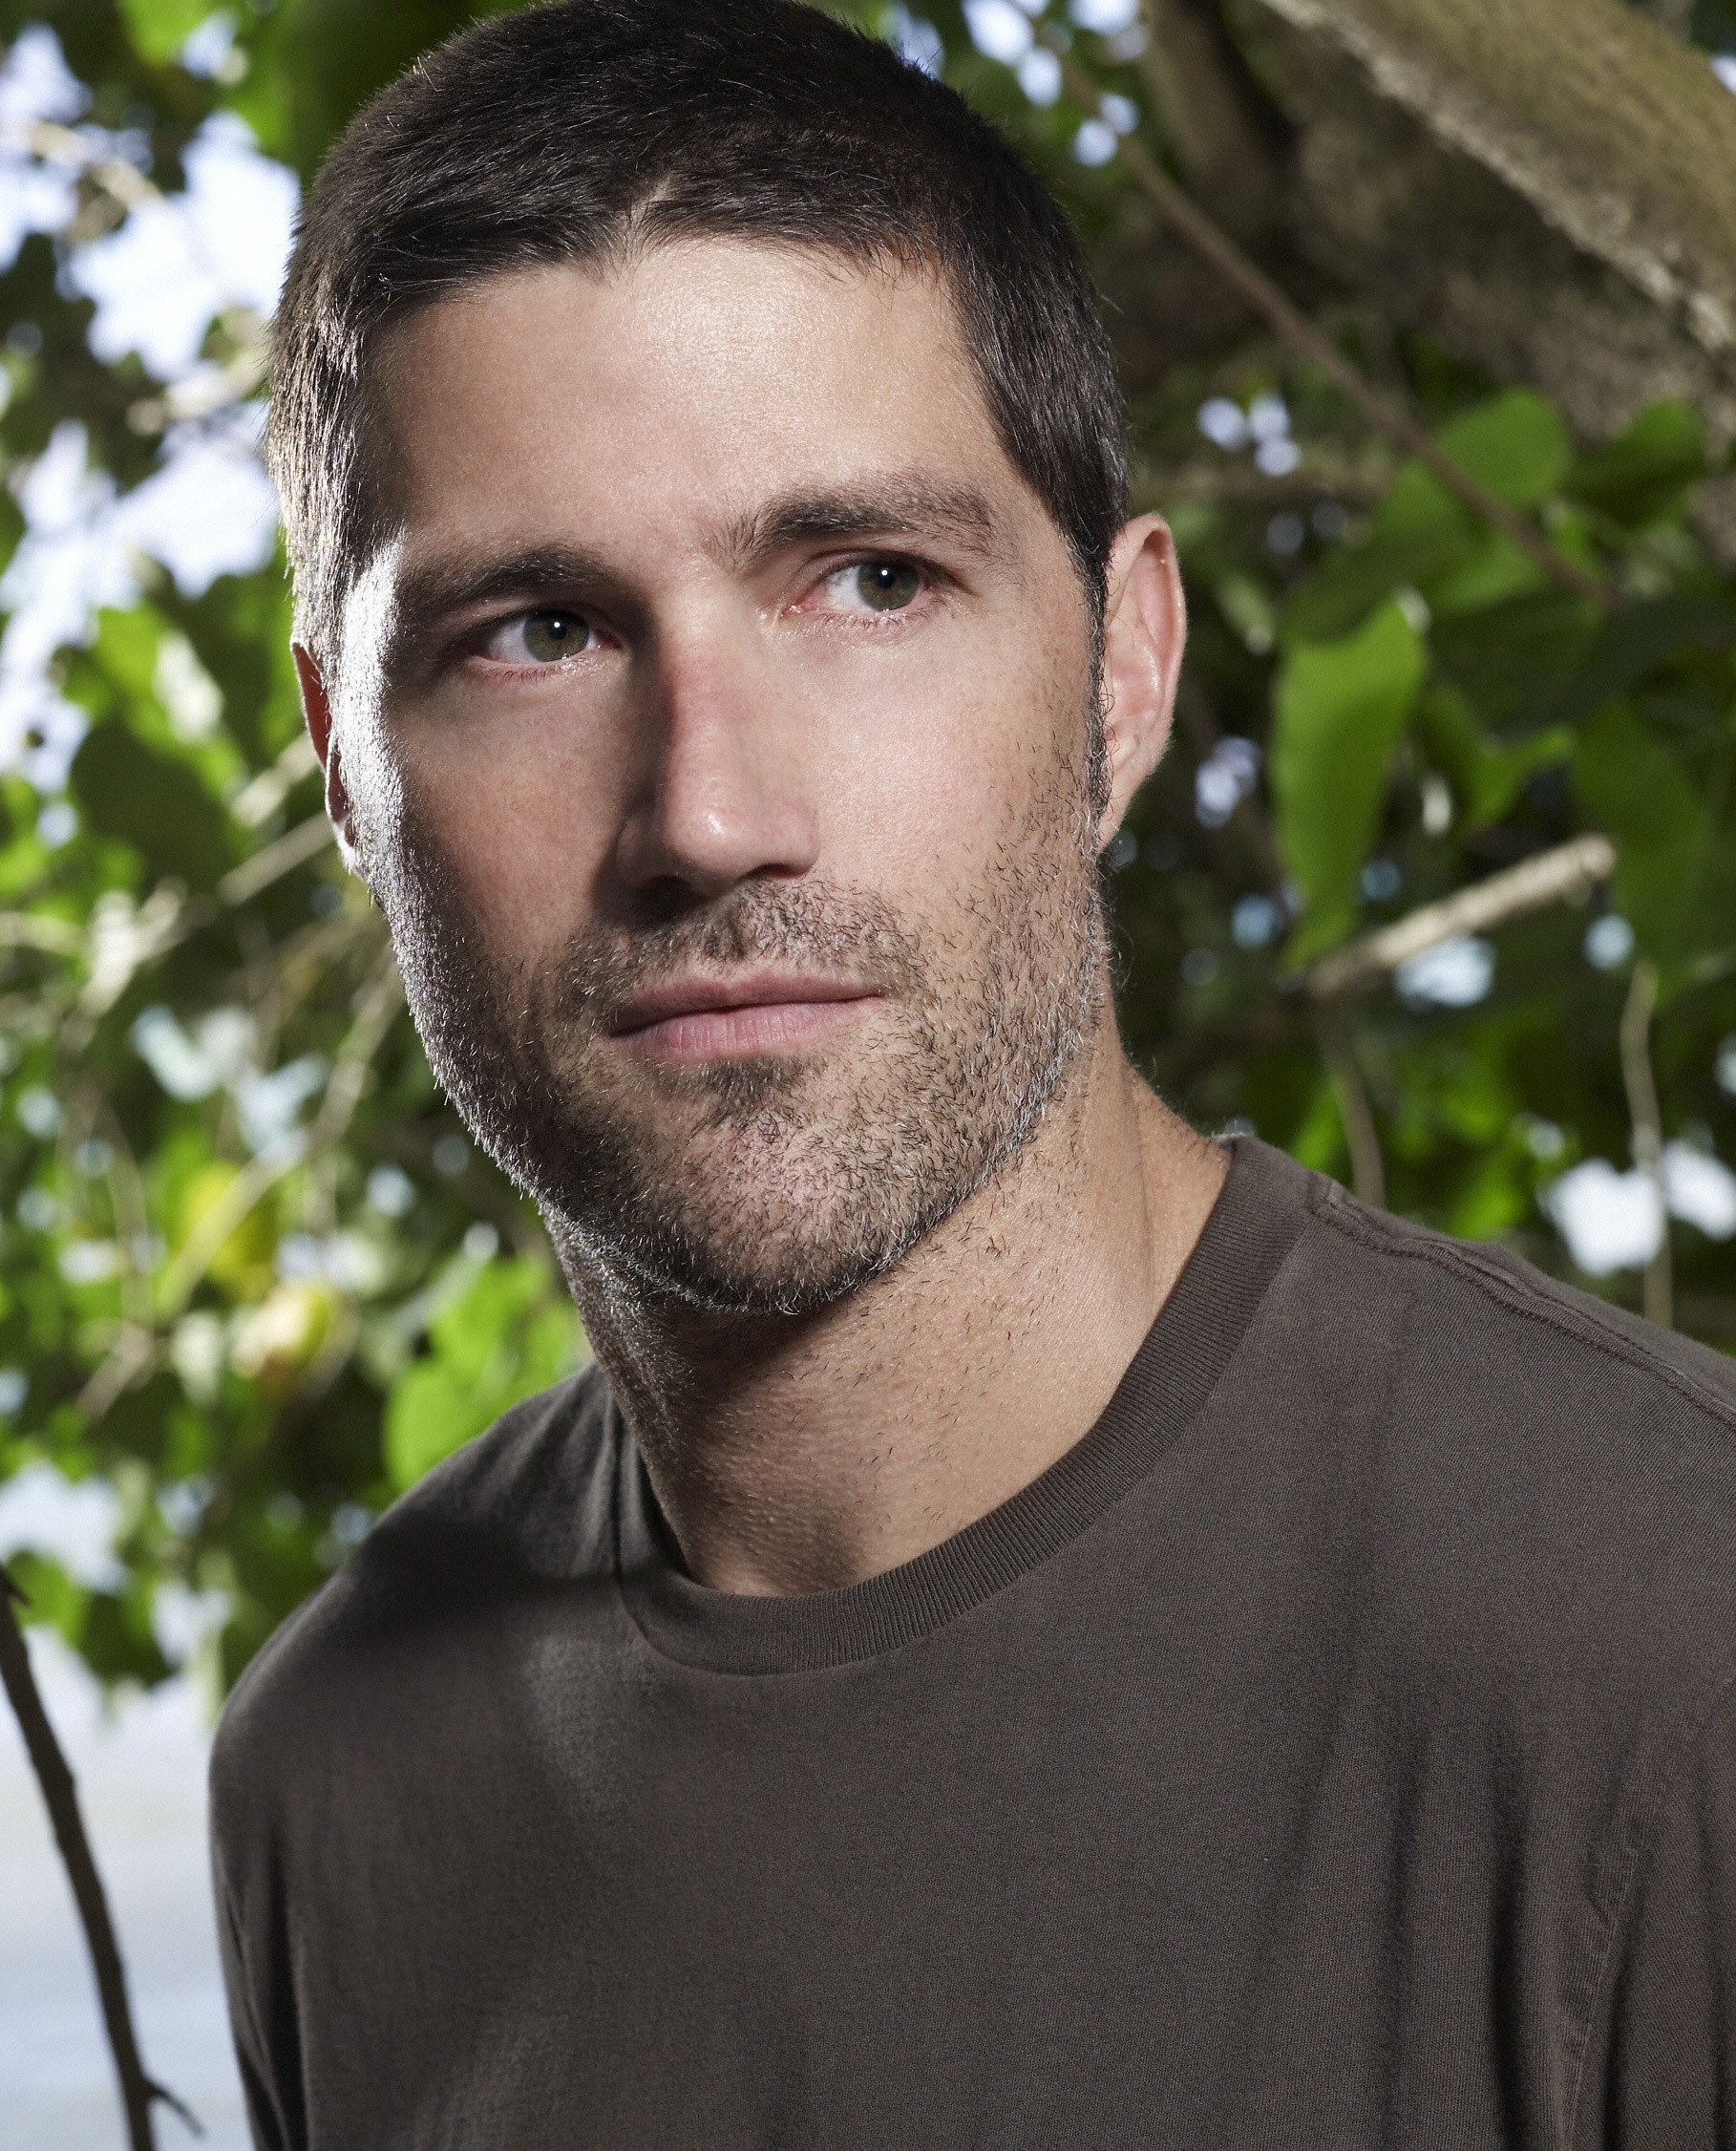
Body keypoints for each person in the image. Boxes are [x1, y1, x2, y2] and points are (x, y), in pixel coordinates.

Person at [206, 3, 1736, 2144]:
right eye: (534, 632)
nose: (709, 814)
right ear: (343, 765)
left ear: (1124, 672)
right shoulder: (337, 1780)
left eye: (869, 582)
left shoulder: (1674, 1646)